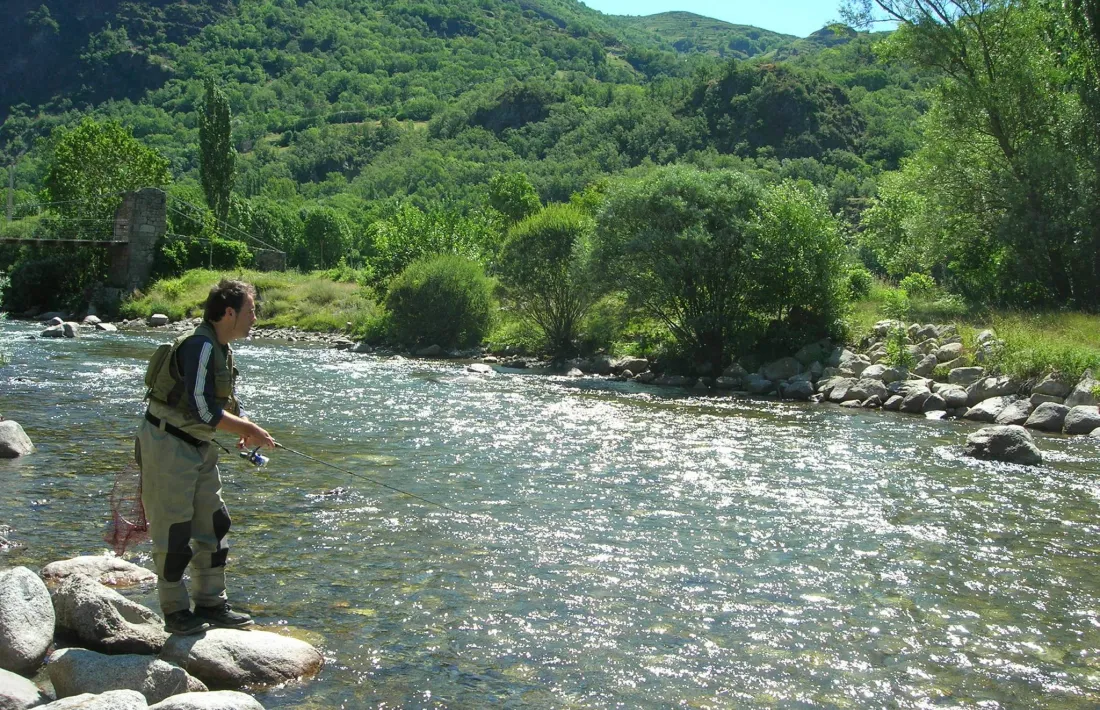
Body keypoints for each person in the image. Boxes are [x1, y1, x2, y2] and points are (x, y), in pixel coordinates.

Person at [136, 279, 276, 635]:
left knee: (214, 524)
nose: (255, 318)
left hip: (199, 446)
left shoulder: (220, 347)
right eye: (251, 311)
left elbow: (219, 400)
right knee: (174, 530)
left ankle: (211, 603)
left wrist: (242, 429)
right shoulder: (199, 345)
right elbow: (201, 408)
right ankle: (176, 611)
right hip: (169, 446)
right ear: (229, 312)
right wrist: (250, 428)